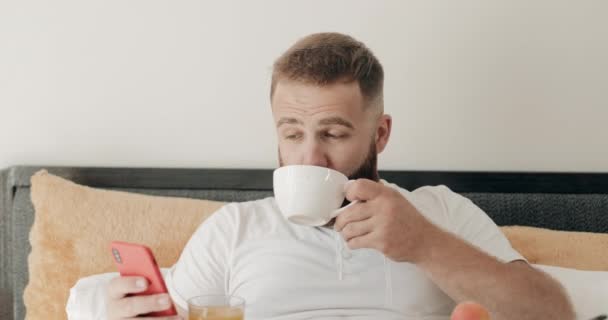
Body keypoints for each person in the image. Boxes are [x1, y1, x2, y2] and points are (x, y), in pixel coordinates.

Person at [105, 32, 574, 320]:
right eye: (292, 133)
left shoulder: (439, 212)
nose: (310, 157)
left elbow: (553, 314)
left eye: (333, 133)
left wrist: (425, 244)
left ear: (381, 133)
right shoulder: (234, 230)